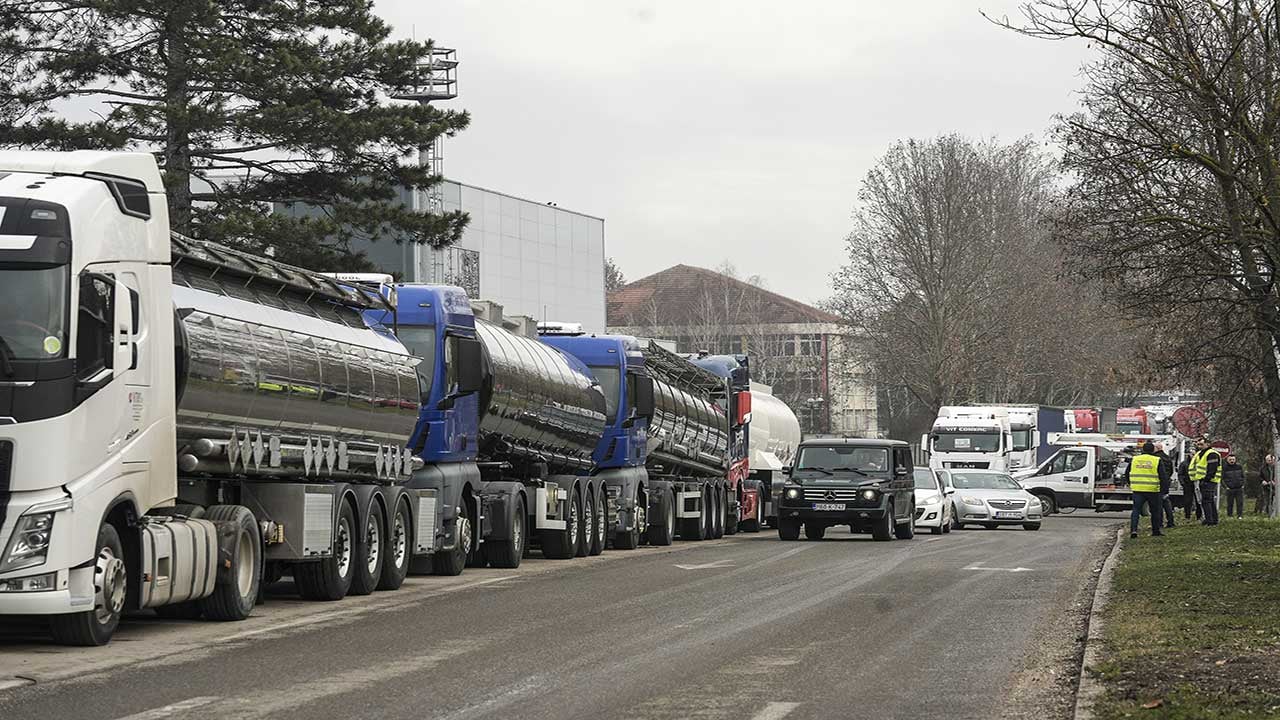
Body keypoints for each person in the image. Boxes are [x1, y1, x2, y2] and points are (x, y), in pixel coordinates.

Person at [1124, 441, 1167, 538]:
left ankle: (1133, 530)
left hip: (1138, 489)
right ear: (1153, 450)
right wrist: (1164, 490)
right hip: (1153, 490)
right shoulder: (1157, 460)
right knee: (1155, 511)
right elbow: (1163, 476)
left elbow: (1127, 473)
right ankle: (1155, 531)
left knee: (1136, 510)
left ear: (1142, 450)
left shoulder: (1134, 459)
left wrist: (1131, 483)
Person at [1192, 436, 1222, 526]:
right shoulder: (1201, 453)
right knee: (1210, 500)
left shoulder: (1211, 453)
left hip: (1209, 480)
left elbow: (1212, 468)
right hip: (1204, 479)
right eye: (1198, 444)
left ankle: (1209, 520)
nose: (1199, 446)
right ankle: (1213, 519)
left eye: (1201, 444)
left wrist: (1206, 480)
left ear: (1207, 444)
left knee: (1206, 501)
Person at [1156, 444, 1176, 529]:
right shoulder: (1167, 458)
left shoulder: (1156, 458)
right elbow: (1171, 470)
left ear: (1157, 448)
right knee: (1166, 502)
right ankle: (1170, 521)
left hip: (1158, 482)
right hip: (1166, 482)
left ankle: (1159, 523)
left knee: (1158, 504)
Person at [1222, 453, 1246, 519]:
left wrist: (1243, 484)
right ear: (1227, 460)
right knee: (1230, 503)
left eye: (1233, 459)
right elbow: (1222, 479)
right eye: (1230, 459)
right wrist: (1226, 487)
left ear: (1235, 460)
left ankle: (1240, 515)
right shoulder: (1225, 468)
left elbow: (1243, 476)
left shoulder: (1239, 466)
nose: (1232, 461)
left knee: (1240, 503)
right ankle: (1230, 515)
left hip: (1239, 488)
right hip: (1230, 488)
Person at [1179, 456, 1201, 520]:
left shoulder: (1199, 462)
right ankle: (1187, 516)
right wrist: (1182, 483)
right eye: (1192, 454)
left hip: (1197, 483)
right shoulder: (1184, 463)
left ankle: (1199, 516)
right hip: (1187, 484)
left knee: (1198, 500)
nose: (1193, 456)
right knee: (1187, 501)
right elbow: (1180, 474)